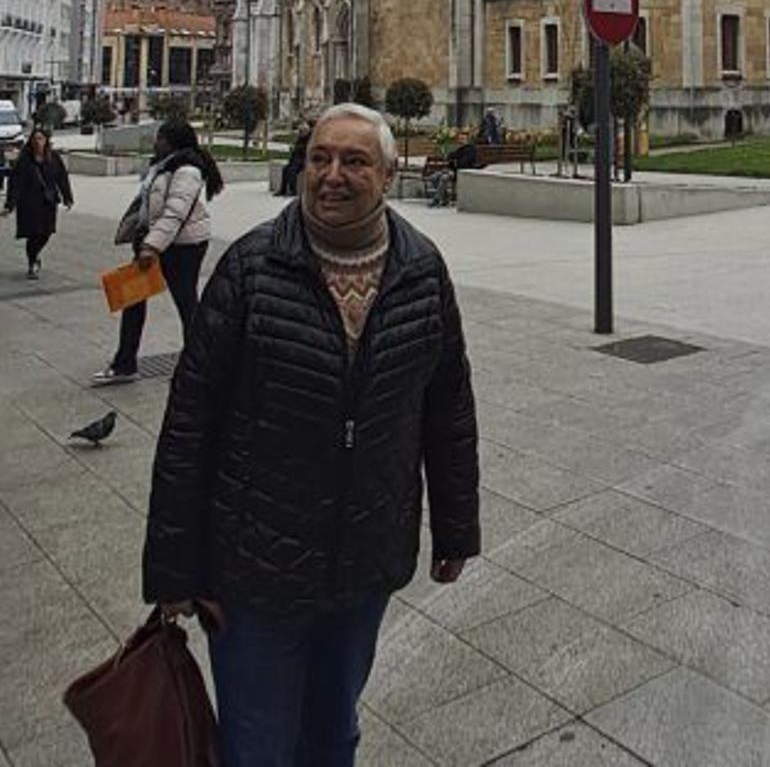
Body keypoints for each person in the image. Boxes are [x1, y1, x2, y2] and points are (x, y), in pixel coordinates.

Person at [143, 102, 480, 767]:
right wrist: (173, 567)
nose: (331, 175)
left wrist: (456, 527)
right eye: (320, 157)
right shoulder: (251, 267)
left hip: (363, 559)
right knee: (258, 743)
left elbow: (448, 407)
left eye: (353, 161)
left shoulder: (421, 268)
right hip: (254, 566)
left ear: (388, 174)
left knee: (333, 734)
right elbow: (189, 422)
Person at [93, 119, 224, 385]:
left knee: (186, 302)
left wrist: (151, 246)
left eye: (160, 138)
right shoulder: (165, 166)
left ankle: (203, 363)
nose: (156, 142)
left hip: (182, 246)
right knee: (133, 299)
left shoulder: (187, 170)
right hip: (158, 241)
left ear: (172, 141)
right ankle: (125, 363)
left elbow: (176, 212)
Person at [2, 129, 73, 278]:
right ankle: (32, 262)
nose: (38, 142)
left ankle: (35, 255)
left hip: (47, 202)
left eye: (41, 138)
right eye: (35, 139)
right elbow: (15, 183)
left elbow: (62, 178)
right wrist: (10, 205)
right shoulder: (24, 159)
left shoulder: (53, 157)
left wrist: (67, 197)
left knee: (46, 232)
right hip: (28, 202)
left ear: (46, 140)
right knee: (33, 233)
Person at [277, 119, 312, 197]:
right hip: (296, 159)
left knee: (292, 170)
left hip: (304, 160)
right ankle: (282, 190)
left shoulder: (310, 139)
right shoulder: (300, 139)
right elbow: (295, 151)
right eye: (300, 131)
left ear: (306, 131)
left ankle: (293, 190)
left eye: (302, 131)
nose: (300, 133)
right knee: (285, 169)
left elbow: (307, 151)